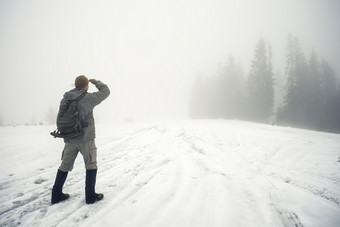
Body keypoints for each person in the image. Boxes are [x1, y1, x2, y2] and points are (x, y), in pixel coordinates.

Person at [51, 75, 110, 204]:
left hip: (69, 138)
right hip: (85, 139)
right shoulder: (88, 98)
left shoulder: (66, 97)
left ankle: (56, 195)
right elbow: (106, 91)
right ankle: (90, 196)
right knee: (91, 165)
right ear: (86, 85)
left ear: (75, 85)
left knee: (64, 166)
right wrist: (96, 82)